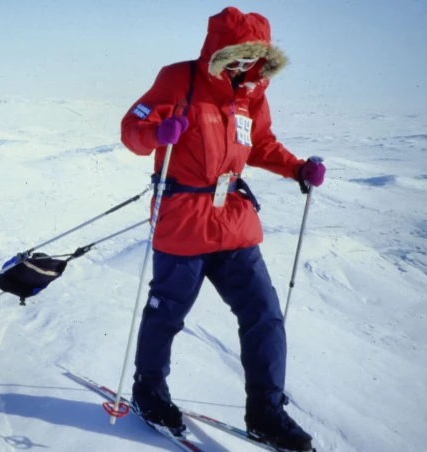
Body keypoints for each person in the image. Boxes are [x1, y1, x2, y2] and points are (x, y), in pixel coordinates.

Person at [120, 6, 325, 452]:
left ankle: (265, 413)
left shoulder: (251, 94)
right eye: (235, 56)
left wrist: (297, 169)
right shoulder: (179, 79)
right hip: (184, 219)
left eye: (253, 59)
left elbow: (261, 144)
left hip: (232, 219)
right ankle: (148, 392)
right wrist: (158, 133)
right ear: (217, 51)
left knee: (264, 314)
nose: (243, 67)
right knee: (168, 312)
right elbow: (132, 128)